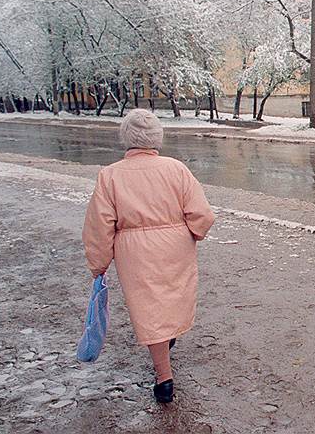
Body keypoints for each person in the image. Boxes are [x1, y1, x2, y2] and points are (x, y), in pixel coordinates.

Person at [82, 109, 215, 403]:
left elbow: (98, 226)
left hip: (135, 253)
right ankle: (165, 356)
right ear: (157, 137)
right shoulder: (176, 169)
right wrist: (193, 233)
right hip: (175, 247)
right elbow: (202, 214)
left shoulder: (110, 176)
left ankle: (163, 377)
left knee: (149, 309)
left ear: (126, 139)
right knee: (171, 298)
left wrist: (99, 264)